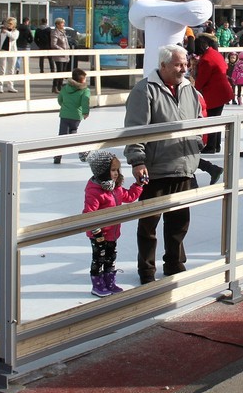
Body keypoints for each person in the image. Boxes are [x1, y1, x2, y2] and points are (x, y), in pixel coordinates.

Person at [124, 44, 203, 284]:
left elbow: (198, 120)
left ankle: (174, 263)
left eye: (186, 64)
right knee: (149, 223)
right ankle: (146, 270)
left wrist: (196, 144)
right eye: (179, 64)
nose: (184, 69)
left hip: (184, 166)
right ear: (163, 65)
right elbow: (135, 130)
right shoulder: (144, 90)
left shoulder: (190, 89)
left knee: (179, 222)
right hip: (156, 168)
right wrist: (138, 161)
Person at [82, 151, 146, 297]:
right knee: (99, 259)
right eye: (112, 170)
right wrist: (97, 233)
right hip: (98, 235)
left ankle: (110, 282)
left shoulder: (115, 188)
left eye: (117, 169)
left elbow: (129, 197)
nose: (116, 173)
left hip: (112, 233)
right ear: (102, 172)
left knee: (111, 258)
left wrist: (138, 184)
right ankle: (97, 285)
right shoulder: (95, 191)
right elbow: (88, 214)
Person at [193, 33, 232, 154]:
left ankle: (210, 146)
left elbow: (201, 80)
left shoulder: (206, 59)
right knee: (216, 119)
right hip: (222, 91)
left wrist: (194, 90)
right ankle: (216, 145)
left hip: (214, 93)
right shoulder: (215, 53)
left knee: (211, 120)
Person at [55, 66, 90, 163]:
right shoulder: (85, 90)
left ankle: (58, 155)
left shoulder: (65, 88)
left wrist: (64, 106)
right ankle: (82, 152)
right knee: (73, 132)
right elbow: (85, 102)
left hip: (64, 115)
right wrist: (85, 112)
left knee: (62, 136)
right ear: (82, 80)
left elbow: (60, 99)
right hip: (76, 116)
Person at [0, 16, 20, 93]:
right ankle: (0, 86)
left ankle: (11, 86)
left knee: (11, 70)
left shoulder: (16, 31)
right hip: (3, 51)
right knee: (2, 69)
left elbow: (13, 37)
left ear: (14, 24)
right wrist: (0, 25)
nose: (9, 25)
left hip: (12, 52)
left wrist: (7, 32)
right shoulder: (2, 30)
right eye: (8, 23)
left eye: (10, 23)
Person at [49, 18, 72, 91]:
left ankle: (60, 86)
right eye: (62, 23)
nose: (63, 24)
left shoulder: (63, 32)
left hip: (65, 55)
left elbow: (66, 43)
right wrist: (61, 50)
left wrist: (67, 50)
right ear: (57, 24)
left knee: (64, 71)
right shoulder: (55, 32)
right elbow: (53, 44)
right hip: (59, 55)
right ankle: (55, 86)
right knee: (59, 70)